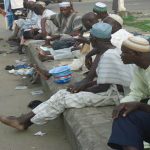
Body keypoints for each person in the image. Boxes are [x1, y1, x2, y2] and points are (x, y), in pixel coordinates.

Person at [0, 22, 127, 130]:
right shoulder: (110, 50)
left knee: (64, 98)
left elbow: (102, 87)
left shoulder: (108, 56)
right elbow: (102, 79)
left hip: (115, 95)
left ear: (93, 39)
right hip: (110, 89)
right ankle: (23, 120)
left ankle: (24, 122)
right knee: (62, 94)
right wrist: (81, 85)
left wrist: (82, 89)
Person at [108, 36, 150, 150]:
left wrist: (139, 105)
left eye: (124, 52)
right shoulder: (140, 68)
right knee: (123, 114)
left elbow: (139, 102)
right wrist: (123, 105)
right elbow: (137, 92)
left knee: (128, 120)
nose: (121, 55)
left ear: (136, 54)